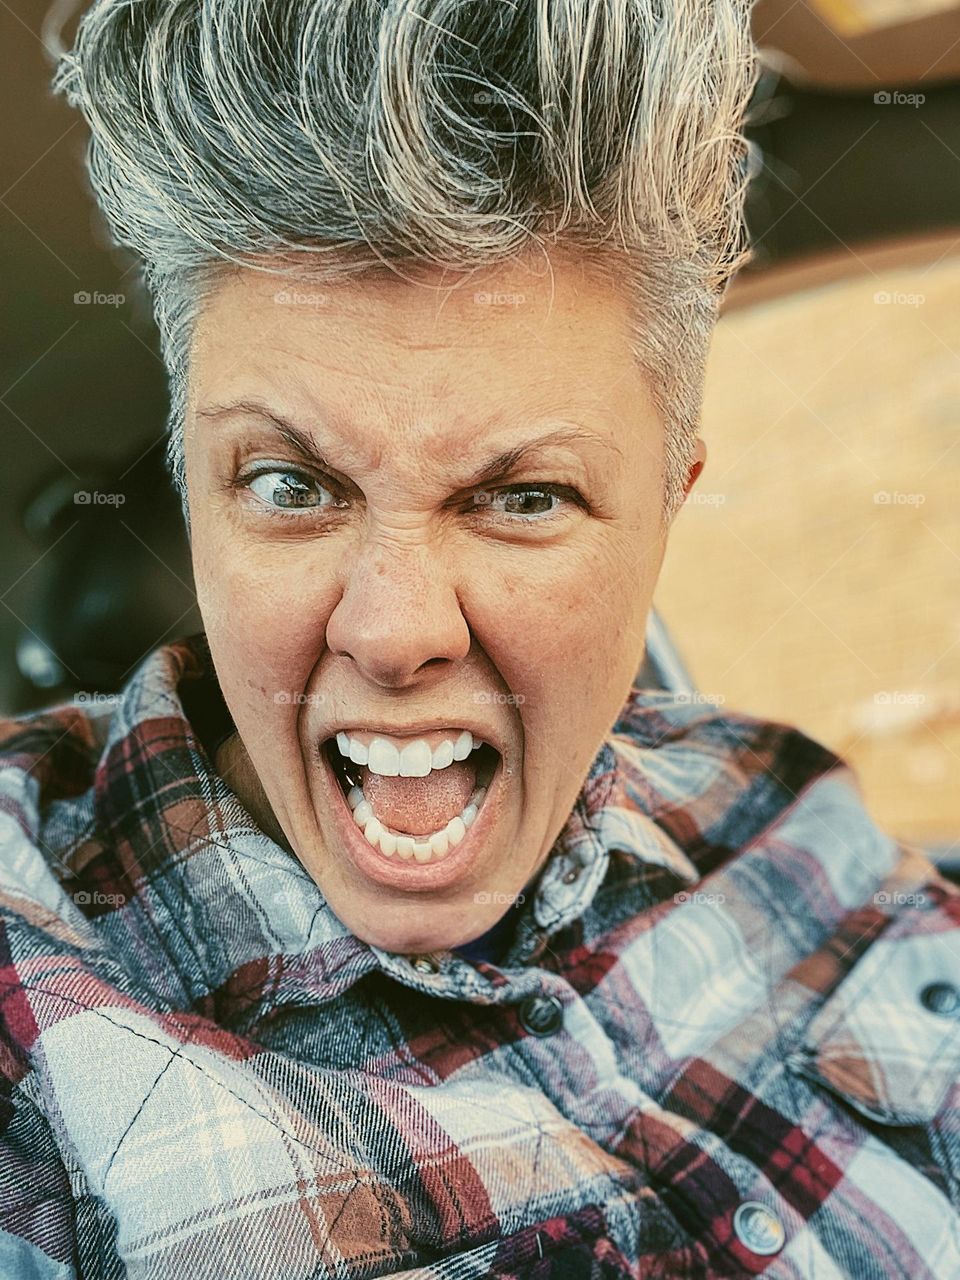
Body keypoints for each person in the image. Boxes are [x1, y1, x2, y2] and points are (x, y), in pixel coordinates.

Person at [1, 2, 956, 1276]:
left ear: (671, 501)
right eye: (290, 485)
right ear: (192, 498)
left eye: (524, 497)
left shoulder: (783, 814)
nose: (395, 632)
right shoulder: (38, 1007)